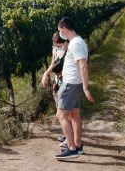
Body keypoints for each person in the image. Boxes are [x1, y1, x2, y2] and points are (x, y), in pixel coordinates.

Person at [54, 17, 94, 160]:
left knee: (61, 115)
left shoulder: (75, 44)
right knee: (74, 115)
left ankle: (71, 149)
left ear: (64, 29)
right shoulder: (78, 41)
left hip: (70, 84)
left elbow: (83, 65)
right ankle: (77, 145)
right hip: (74, 84)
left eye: (60, 31)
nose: (60, 34)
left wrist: (86, 87)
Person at [39, 32, 67, 142]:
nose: (56, 47)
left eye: (59, 45)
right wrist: (48, 75)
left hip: (66, 81)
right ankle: (66, 134)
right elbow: (53, 63)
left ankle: (70, 138)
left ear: (65, 42)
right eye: (55, 45)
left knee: (64, 110)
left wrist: (46, 74)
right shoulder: (55, 49)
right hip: (57, 79)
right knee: (58, 106)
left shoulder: (68, 50)